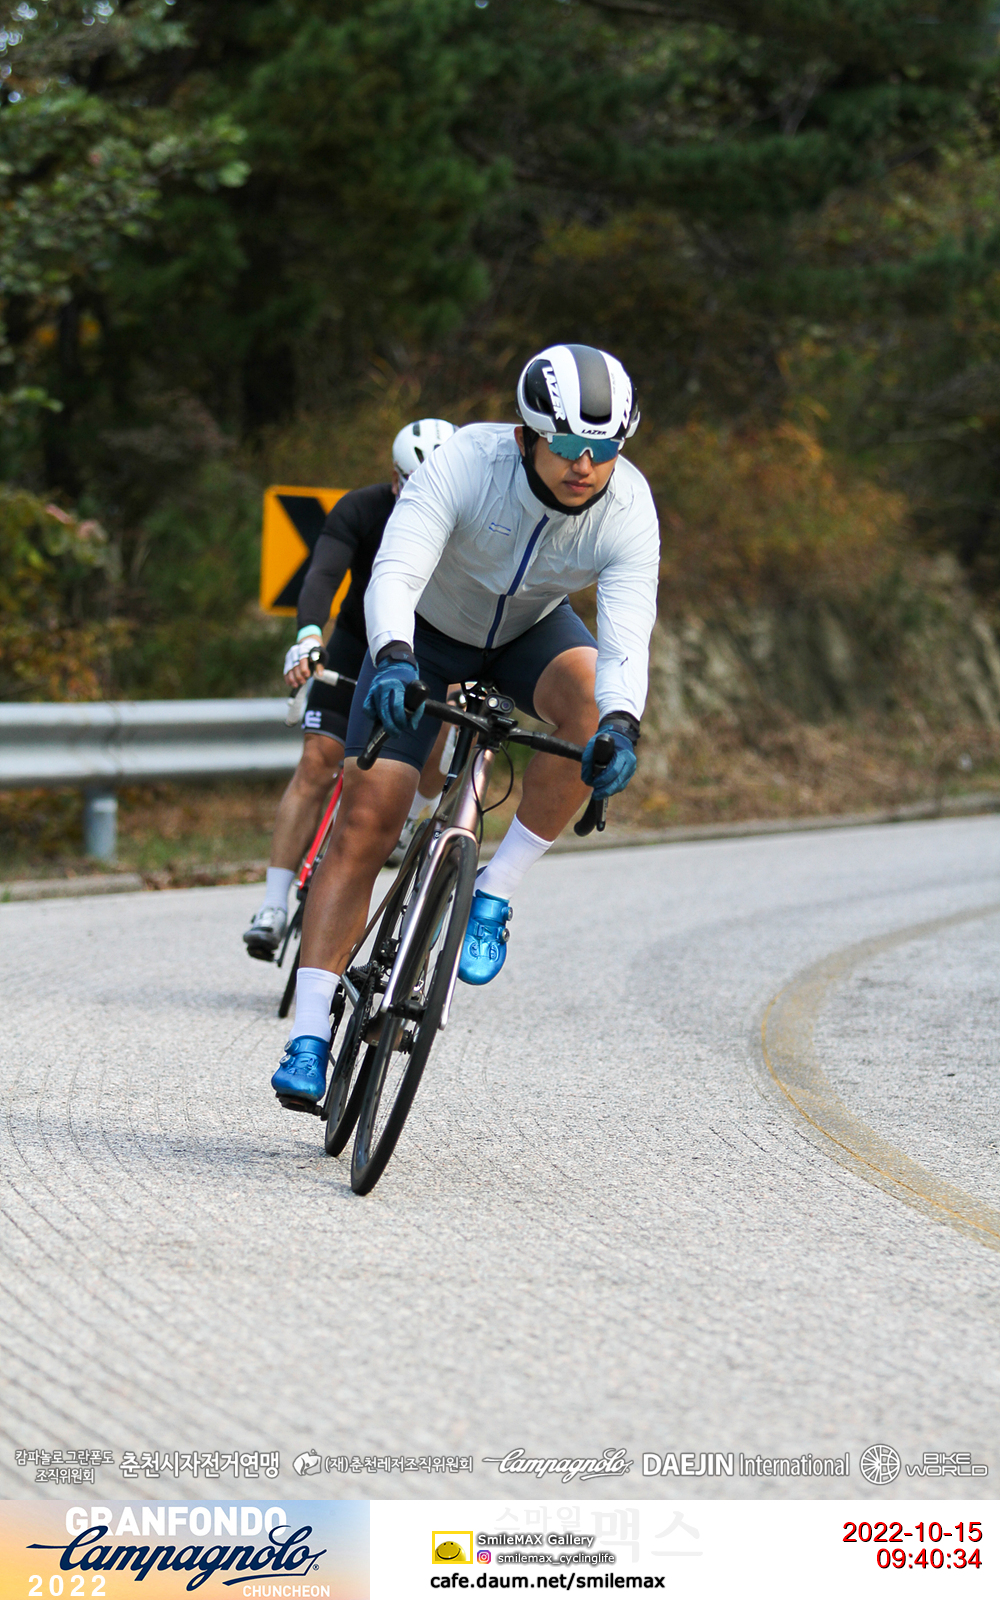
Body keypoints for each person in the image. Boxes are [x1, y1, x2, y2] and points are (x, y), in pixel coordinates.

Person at [271, 343, 660, 1105]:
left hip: (528, 633)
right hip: (425, 631)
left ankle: (495, 889)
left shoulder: (628, 507)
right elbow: (395, 571)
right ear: (526, 435)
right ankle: (309, 1034)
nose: (585, 465)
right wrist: (391, 655)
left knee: (591, 703)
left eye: (604, 448)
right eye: (567, 445)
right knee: (367, 819)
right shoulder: (467, 463)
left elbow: (625, 641)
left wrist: (622, 724)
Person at [242, 417, 456, 960]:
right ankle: (272, 904)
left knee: (446, 717)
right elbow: (322, 575)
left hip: (431, 650)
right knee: (318, 760)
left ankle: (412, 818)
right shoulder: (362, 508)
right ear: (393, 477)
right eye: (408, 483)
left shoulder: (468, 520)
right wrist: (308, 637)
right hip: (358, 641)